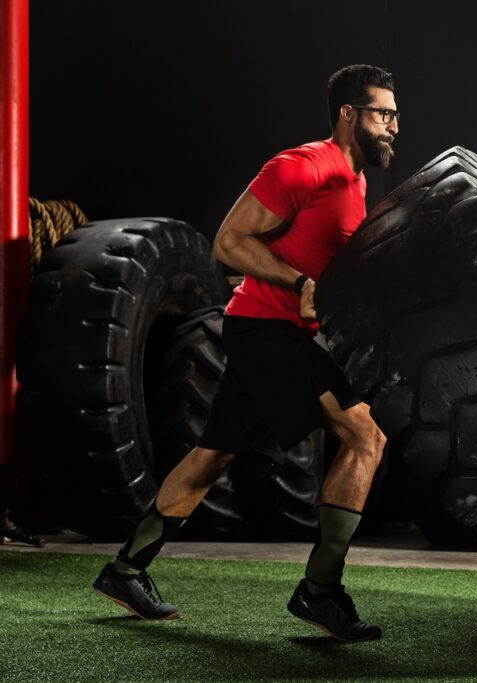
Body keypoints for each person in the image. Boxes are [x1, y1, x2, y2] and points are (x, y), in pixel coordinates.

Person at [92, 64, 400, 642]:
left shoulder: (356, 184)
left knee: (213, 455)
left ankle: (125, 571)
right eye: (383, 113)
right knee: (365, 437)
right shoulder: (302, 166)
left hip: (283, 334)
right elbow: (228, 242)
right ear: (348, 114)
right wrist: (294, 285)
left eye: (396, 115)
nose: (393, 126)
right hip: (265, 328)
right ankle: (320, 591)